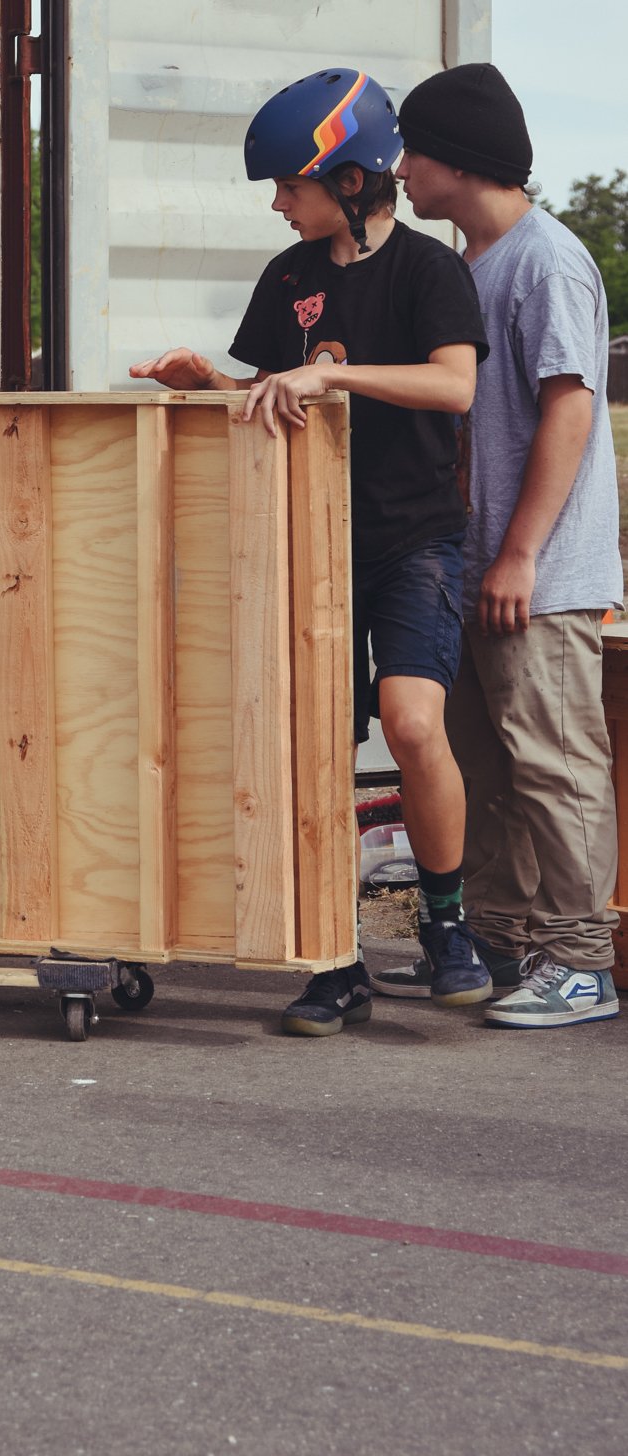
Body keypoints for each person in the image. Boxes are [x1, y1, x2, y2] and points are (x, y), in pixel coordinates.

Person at [130, 67, 491, 1035]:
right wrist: (204, 380)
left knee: (412, 725)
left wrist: (333, 380)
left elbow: (454, 387)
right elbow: (270, 394)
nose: (279, 204)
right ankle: (333, 957)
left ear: (356, 179)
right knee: (311, 751)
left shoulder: (429, 270)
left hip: (412, 537)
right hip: (308, 545)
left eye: (291, 185)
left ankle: (447, 926)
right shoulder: (288, 279)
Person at [385, 63, 621, 1027]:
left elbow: (569, 404)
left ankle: (579, 961)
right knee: (484, 764)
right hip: (473, 568)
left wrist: (520, 551)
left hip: (539, 574)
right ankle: (497, 937)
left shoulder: (546, 260)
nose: (398, 168)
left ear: (456, 158)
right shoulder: (470, 266)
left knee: (553, 763)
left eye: (411, 149)